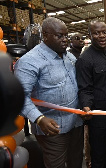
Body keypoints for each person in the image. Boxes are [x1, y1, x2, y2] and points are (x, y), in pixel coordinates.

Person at [14, 17, 84, 168]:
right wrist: (39, 118)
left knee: (76, 162)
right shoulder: (29, 61)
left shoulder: (69, 57)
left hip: (76, 124)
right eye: (60, 36)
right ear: (45, 35)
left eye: (66, 35)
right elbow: (19, 97)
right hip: (52, 128)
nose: (65, 40)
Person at [76, 20, 106, 168]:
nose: (102, 36)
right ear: (90, 35)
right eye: (96, 33)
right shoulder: (85, 59)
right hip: (99, 118)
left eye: (104, 32)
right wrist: (86, 106)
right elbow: (85, 88)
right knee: (99, 155)